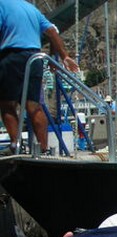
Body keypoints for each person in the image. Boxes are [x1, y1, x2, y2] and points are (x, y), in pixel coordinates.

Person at [0, 0, 79, 155]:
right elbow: (52, 31)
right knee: (34, 105)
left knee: (7, 105)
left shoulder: (2, 4)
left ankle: (15, 145)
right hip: (35, 57)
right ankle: (43, 148)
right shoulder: (32, 9)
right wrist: (63, 56)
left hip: (12, 57)